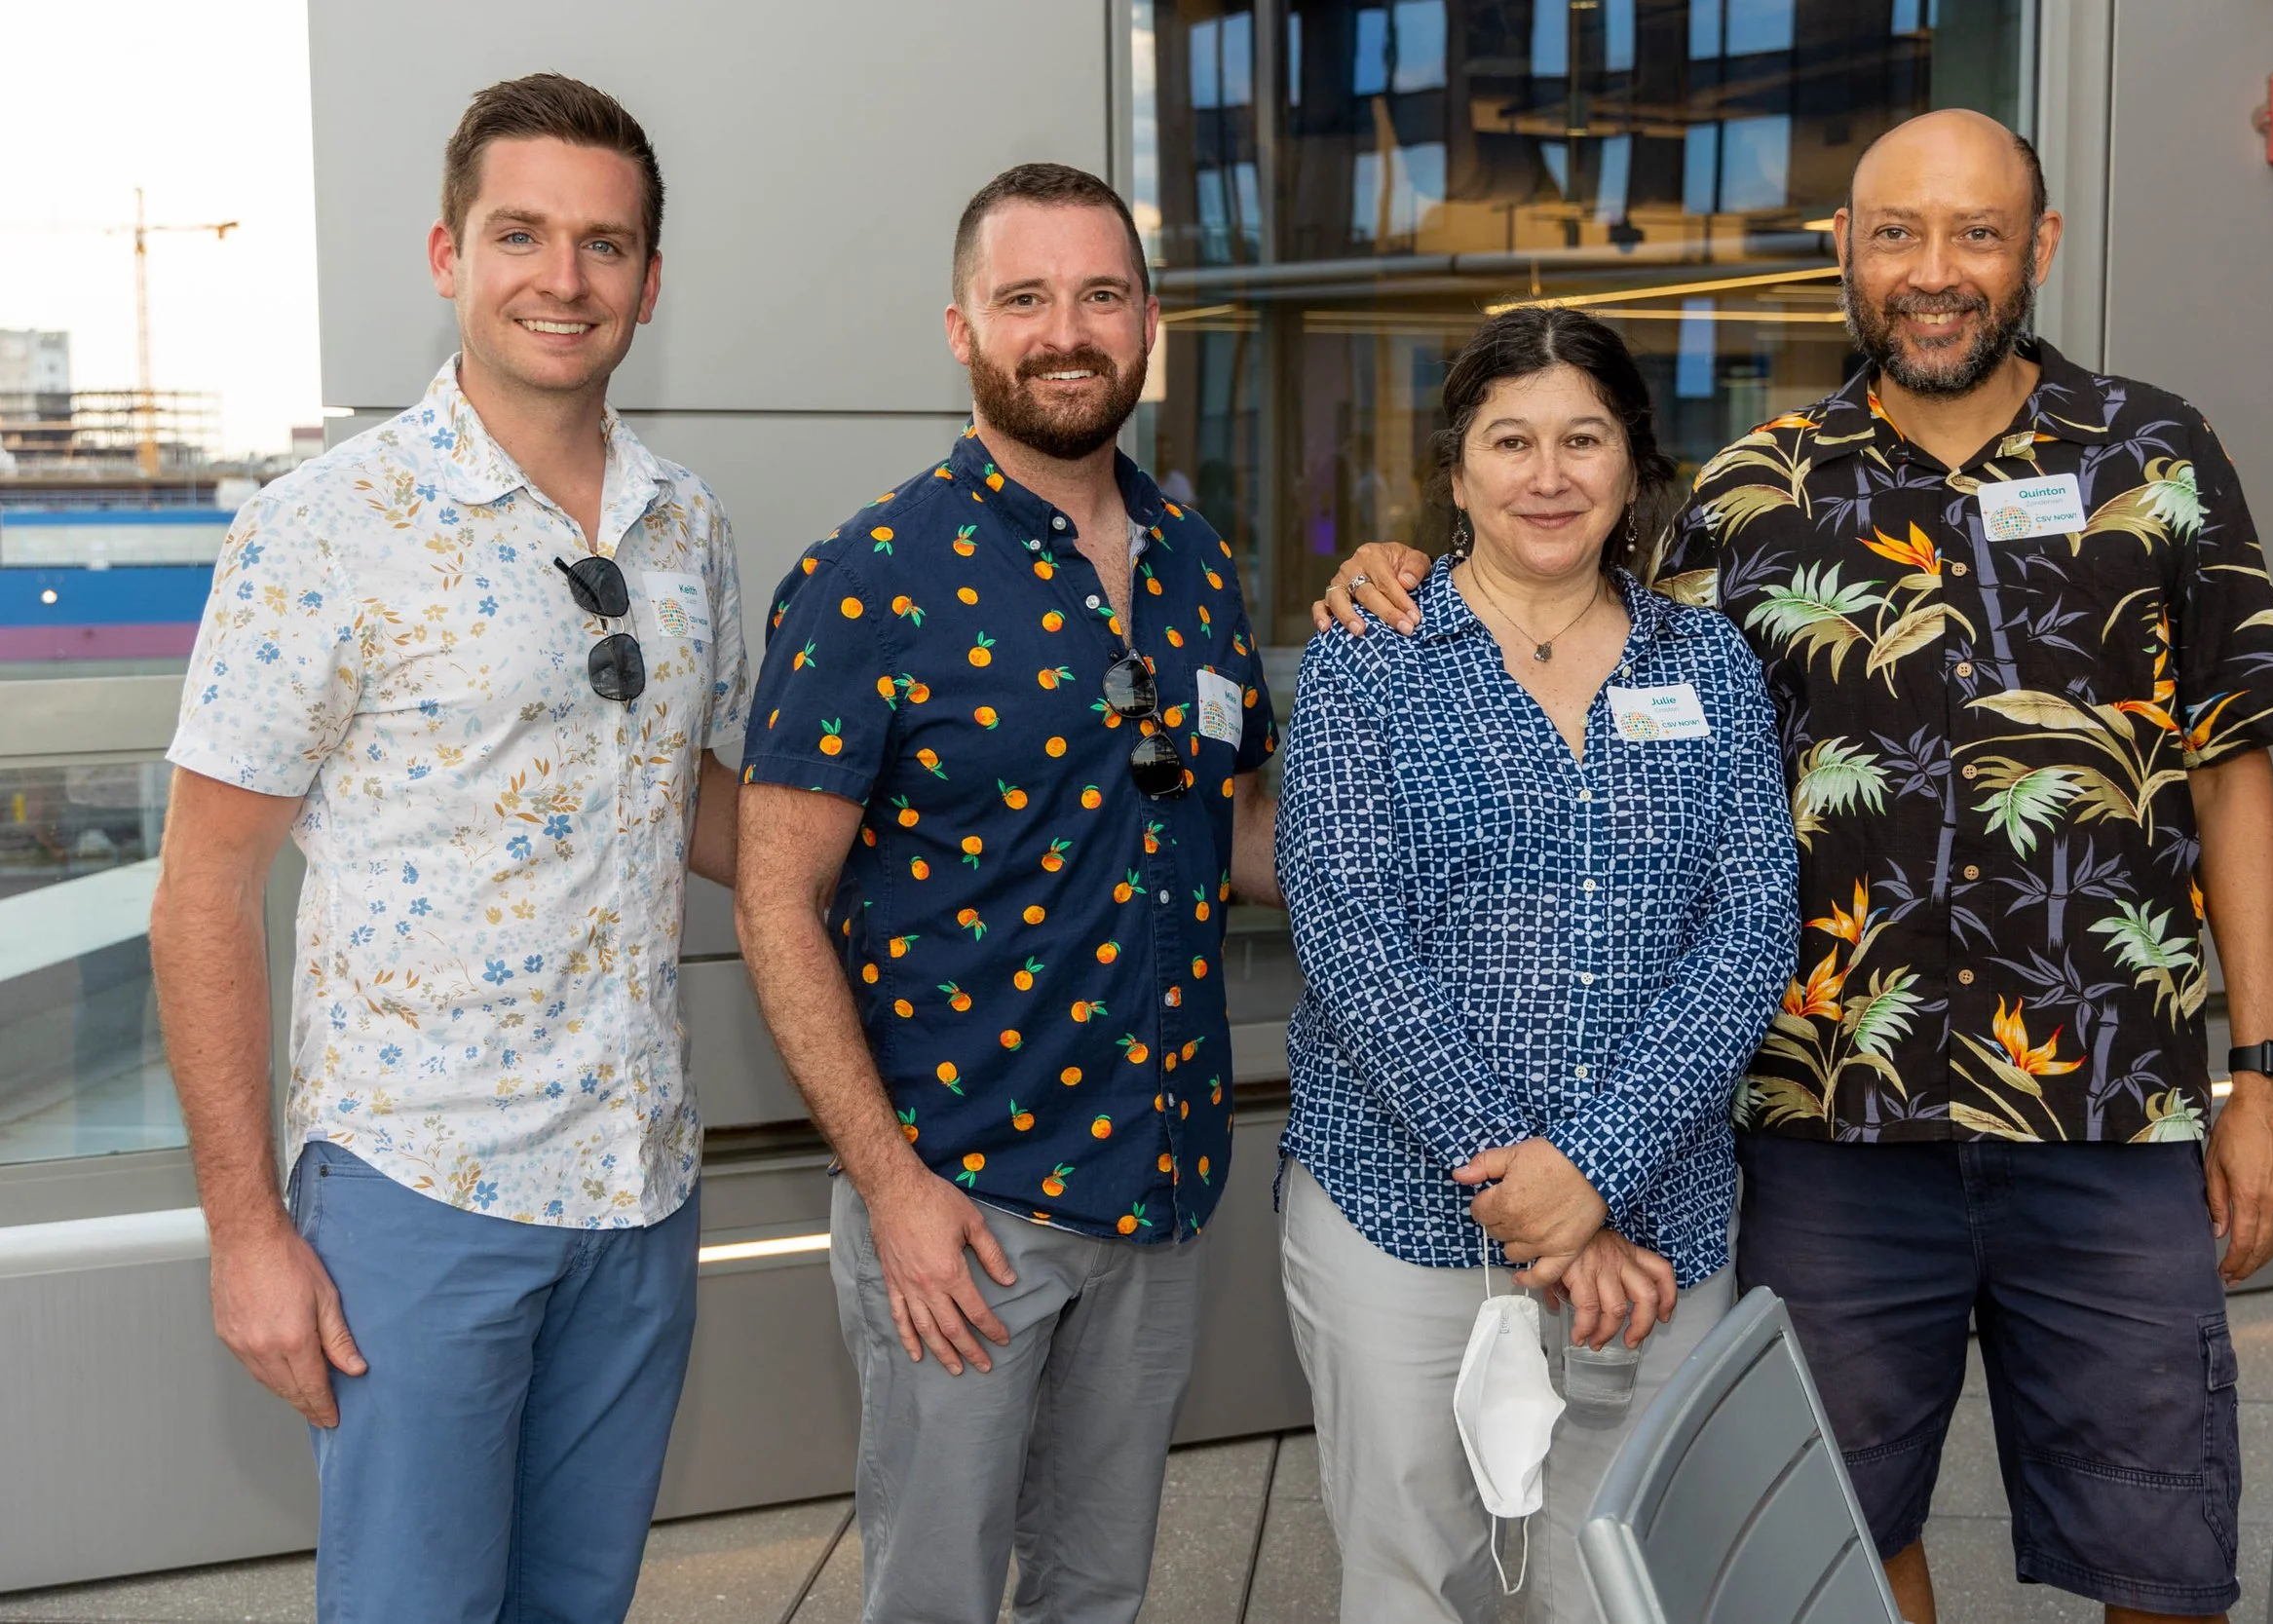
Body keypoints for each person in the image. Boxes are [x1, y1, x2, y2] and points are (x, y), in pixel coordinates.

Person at [1317, 109, 2273, 1624]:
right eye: (1898, 234)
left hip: (2113, 1110)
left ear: (2038, 249)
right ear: (1842, 256)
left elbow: (2235, 768)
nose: (1935, 271)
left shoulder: (2158, 456)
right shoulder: (1746, 496)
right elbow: (1559, 593)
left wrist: (2268, 1072)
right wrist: (1397, 564)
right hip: (1834, 1128)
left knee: (2164, 1543)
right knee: (1839, 1531)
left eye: (1975, 233)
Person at [149, 74, 746, 1621]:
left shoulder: (689, 527)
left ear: (650, 281)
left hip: (639, 1185)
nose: (566, 278)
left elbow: (682, 797)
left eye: (605, 245)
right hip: (421, 1192)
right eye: (522, 234)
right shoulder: (324, 523)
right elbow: (204, 891)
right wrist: (246, 1233)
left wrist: (959, 856)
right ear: (446, 254)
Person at [732, 162, 1281, 1624]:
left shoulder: (1194, 563)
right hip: (963, 1209)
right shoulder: (868, 576)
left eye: (1101, 293)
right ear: (962, 328)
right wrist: (891, 1189)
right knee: (937, 1596)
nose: (1067, 328)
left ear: (1149, 322)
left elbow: (1229, 829)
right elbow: (777, 901)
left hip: (1159, 1193)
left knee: (1096, 1592)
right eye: (1025, 296)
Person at [1277, 305, 1797, 1623]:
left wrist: (1596, 1173)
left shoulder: (1714, 667)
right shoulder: (1366, 658)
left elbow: (1748, 937)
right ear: (1456, 471)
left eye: (1584, 437)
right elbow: (1346, 930)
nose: (1548, 474)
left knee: (1629, 1582)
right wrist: (1531, 1183)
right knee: (1412, 1579)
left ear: (1634, 464)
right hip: (1399, 1215)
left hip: (1658, 1232)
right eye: (1511, 440)